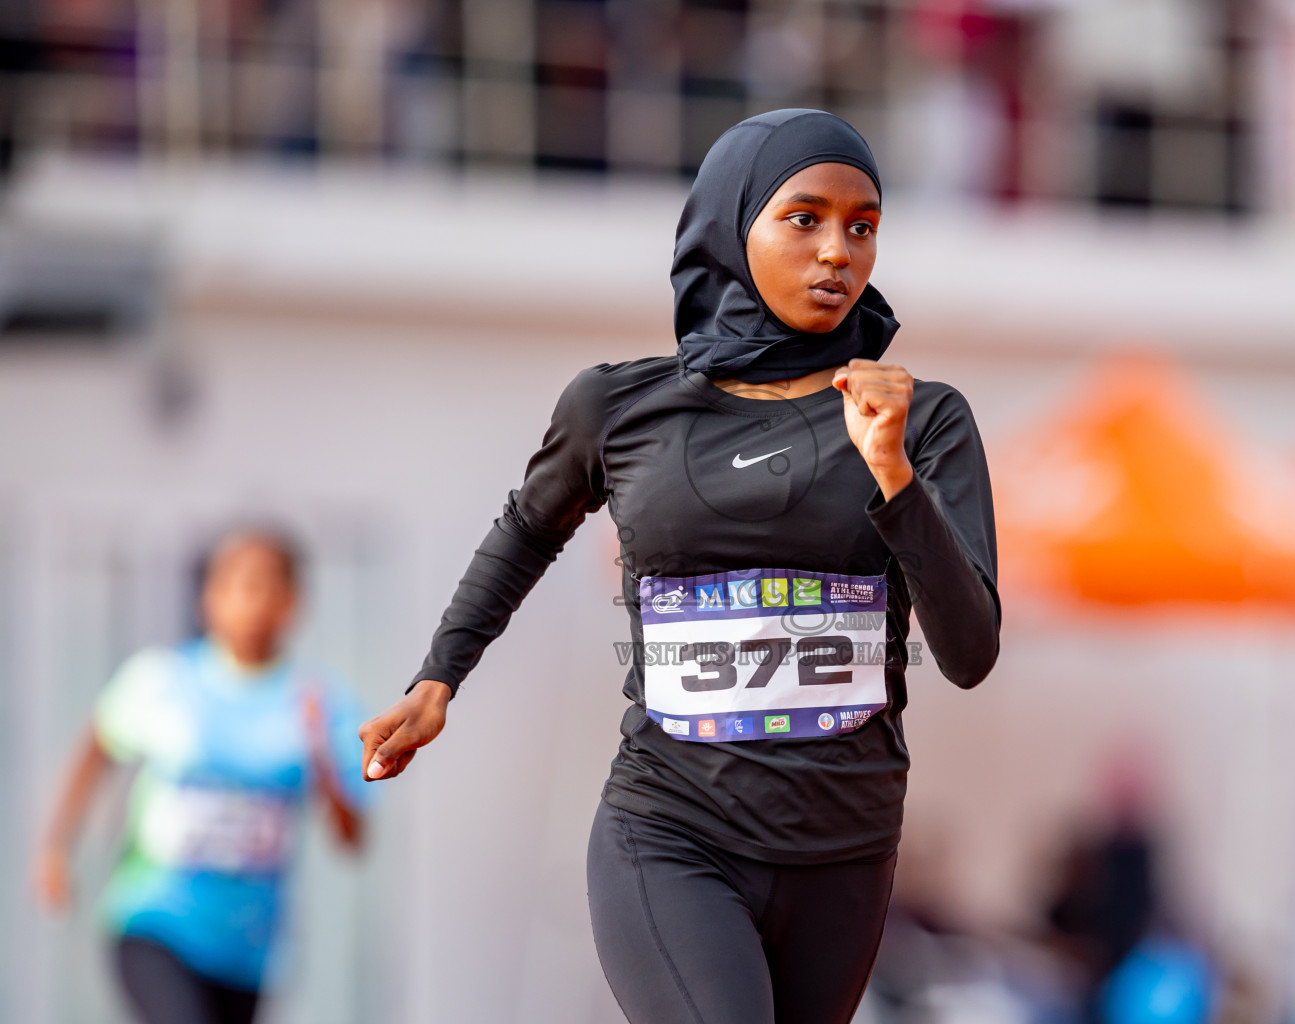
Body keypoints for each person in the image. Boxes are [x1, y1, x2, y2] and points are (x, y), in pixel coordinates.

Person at [359, 107, 1001, 1024]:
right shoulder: (619, 407)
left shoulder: (922, 419)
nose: (837, 253)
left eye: (863, 227)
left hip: (847, 852)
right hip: (672, 832)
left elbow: (971, 653)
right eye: (805, 218)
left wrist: (893, 471)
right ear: (732, 225)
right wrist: (439, 676)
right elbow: (526, 529)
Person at [34, 527, 372, 1024]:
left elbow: (352, 836)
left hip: (247, 948)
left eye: (265, 586)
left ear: (292, 602)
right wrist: (56, 848)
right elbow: (96, 747)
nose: (249, 602)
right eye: (234, 585)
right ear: (209, 598)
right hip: (156, 921)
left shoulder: (319, 703)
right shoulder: (162, 680)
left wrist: (324, 766)